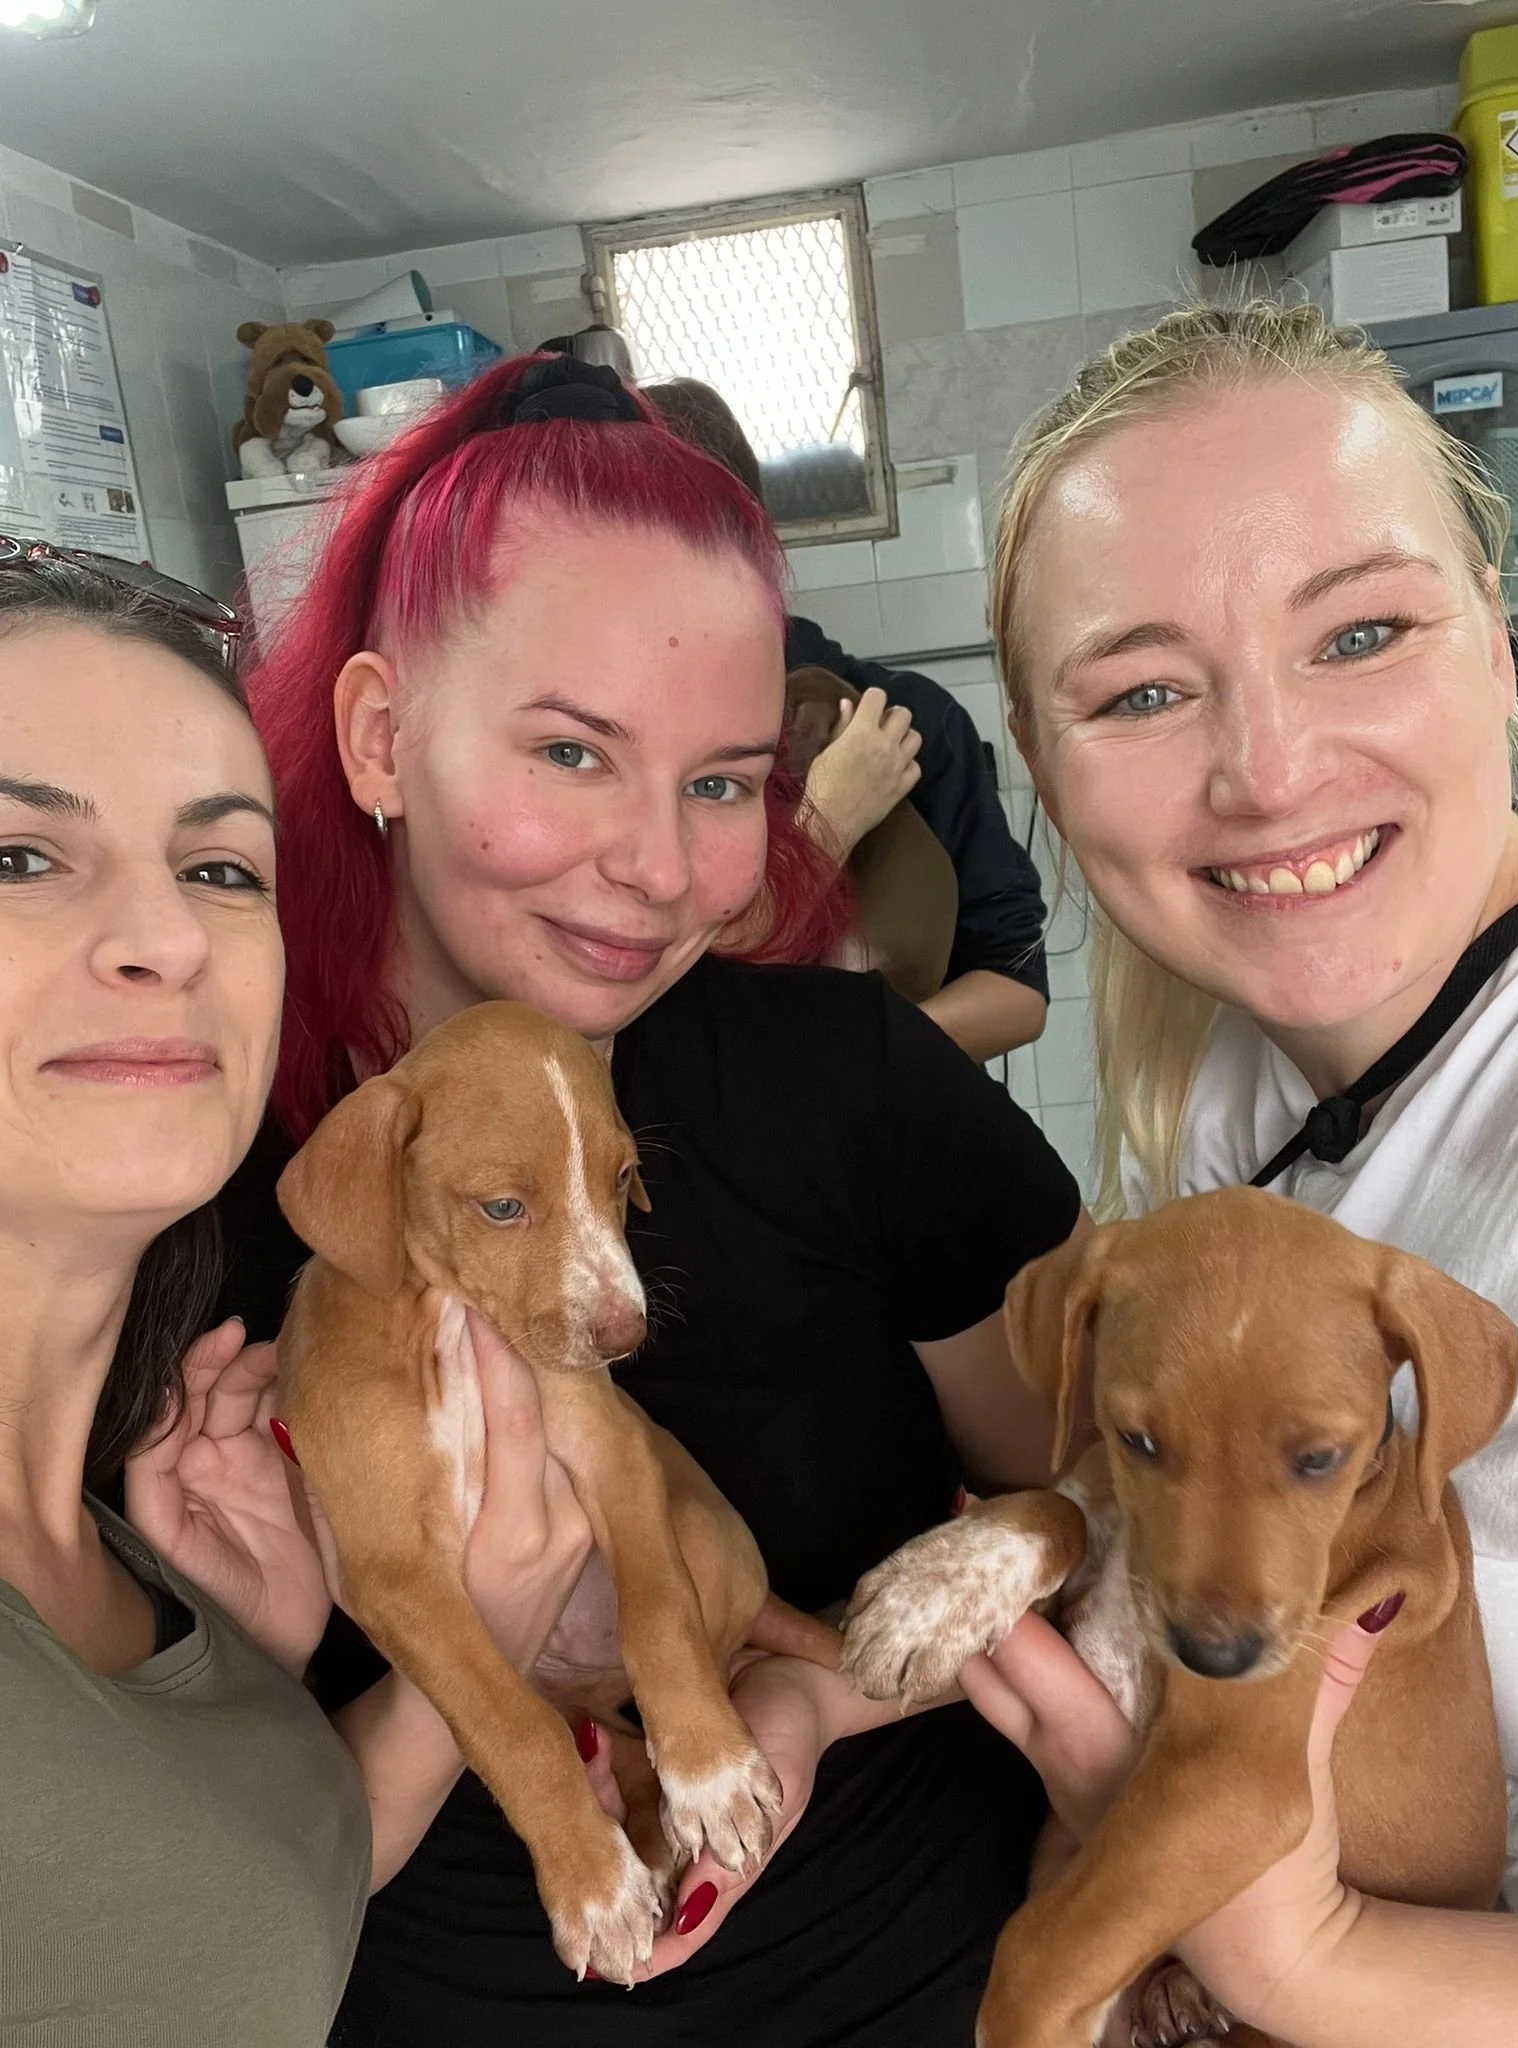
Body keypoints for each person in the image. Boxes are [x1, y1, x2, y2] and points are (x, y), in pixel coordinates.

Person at [216, 350, 1084, 2048]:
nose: (666, 869)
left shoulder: (851, 1082)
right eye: (570, 750)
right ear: (383, 736)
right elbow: (202, 1889)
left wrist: (814, 1690)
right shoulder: (218, 1177)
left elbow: (1103, 1507)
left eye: (721, 780)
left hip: (927, 1985)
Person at [974, 299, 1518, 2042]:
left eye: (1359, 629)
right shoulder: (1237, 1086)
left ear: (1503, 656)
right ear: (1049, 789)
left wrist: (1309, 1958)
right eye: (1143, 688)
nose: (1270, 770)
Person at [0, 547, 370, 2043]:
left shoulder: (116, 1553)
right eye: (18, 858)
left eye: (220, 869)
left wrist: (250, 1693)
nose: (164, 939)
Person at [644, 375, 1050, 1061]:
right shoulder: (626, 752)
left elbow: (1016, 991)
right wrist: (826, 822)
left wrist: (848, 1064)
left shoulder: (910, 725)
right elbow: (655, 1002)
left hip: (896, 1136)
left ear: (751, 545)